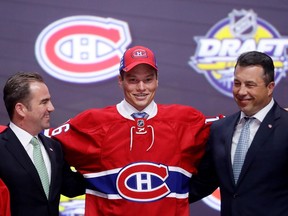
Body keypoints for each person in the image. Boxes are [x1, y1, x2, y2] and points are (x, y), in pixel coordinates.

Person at [49, 45, 210, 216]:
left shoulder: (184, 120)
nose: (141, 88)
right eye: (133, 80)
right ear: (121, 80)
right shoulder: (93, 122)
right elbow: (46, 143)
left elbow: (226, 138)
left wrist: (187, 191)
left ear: (157, 80)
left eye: (148, 79)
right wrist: (72, 185)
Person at [189, 51, 288, 215]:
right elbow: (203, 183)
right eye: (237, 83)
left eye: (250, 85)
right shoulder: (220, 129)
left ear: (270, 87)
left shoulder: (285, 126)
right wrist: (154, 197)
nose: (241, 91)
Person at [0, 72, 86, 216]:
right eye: (44, 102)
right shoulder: (1, 148)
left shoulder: (54, 147)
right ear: (21, 109)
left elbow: (73, 188)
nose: (51, 108)